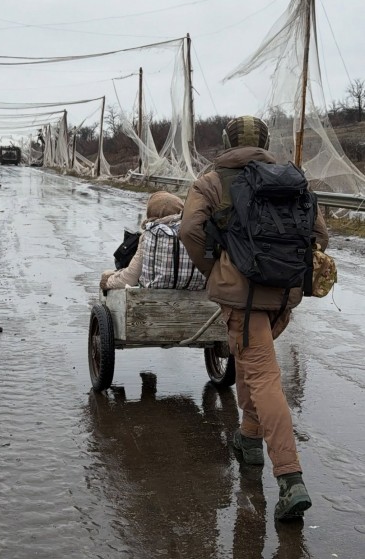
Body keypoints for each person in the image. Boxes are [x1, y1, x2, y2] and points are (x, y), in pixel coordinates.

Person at [179, 115, 329, 521]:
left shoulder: (212, 181)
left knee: (263, 376)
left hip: (242, 297)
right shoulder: (290, 180)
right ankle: (248, 439)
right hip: (283, 295)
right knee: (249, 359)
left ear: (226, 141)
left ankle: (290, 477)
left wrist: (216, 270)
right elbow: (320, 235)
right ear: (264, 142)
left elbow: (189, 229)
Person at [100, 191, 184, 290]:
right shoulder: (192, 232)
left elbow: (131, 277)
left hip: (152, 294)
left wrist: (107, 281)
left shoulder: (152, 234)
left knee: (107, 274)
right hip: (191, 289)